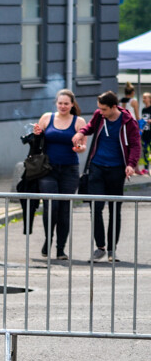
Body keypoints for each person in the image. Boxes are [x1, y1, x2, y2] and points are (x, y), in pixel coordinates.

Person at [71, 91, 141, 261]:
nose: (100, 111)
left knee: (114, 209)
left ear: (113, 107)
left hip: (117, 169)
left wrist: (131, 164)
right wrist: (81, 133)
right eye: (99, 109)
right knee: (96, 207)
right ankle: (100, 247)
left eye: (103, 109)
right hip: (97, 168)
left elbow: (135, 145)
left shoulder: (128, 122)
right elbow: (90, 127)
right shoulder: (99, 116)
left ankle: (111, 250)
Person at [31, 89, 87, 260]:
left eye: (66, 103)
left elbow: (83, 146)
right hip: (48, 169)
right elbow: (36, 141)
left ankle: (60, 249)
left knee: (64, 210)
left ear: (72, 105)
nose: (63, 106)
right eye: (60, 103)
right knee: (51, 206)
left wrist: (79, 148)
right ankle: (48, 240)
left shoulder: (79, 121)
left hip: (69, 170)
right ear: (56, 103)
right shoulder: (47, 118)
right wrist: (36, 134)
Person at [141, 92, 151, 173]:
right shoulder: (143, 110)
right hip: (145, 134)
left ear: (150, 99)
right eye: (143, 98)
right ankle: (146, 168)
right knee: (145, 151)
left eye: (145, 97)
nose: (143, 99)